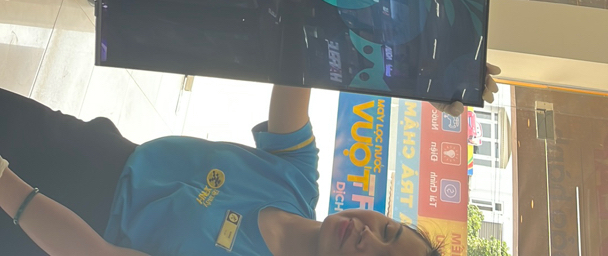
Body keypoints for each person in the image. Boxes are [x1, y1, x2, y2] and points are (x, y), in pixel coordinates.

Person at [0, 70, 501, 256]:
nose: (368, 237)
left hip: (46, 228)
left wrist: (4, 184)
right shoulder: (295, 178)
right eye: (389, 230)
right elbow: (299, 56)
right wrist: (427, 69)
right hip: (91, 149)